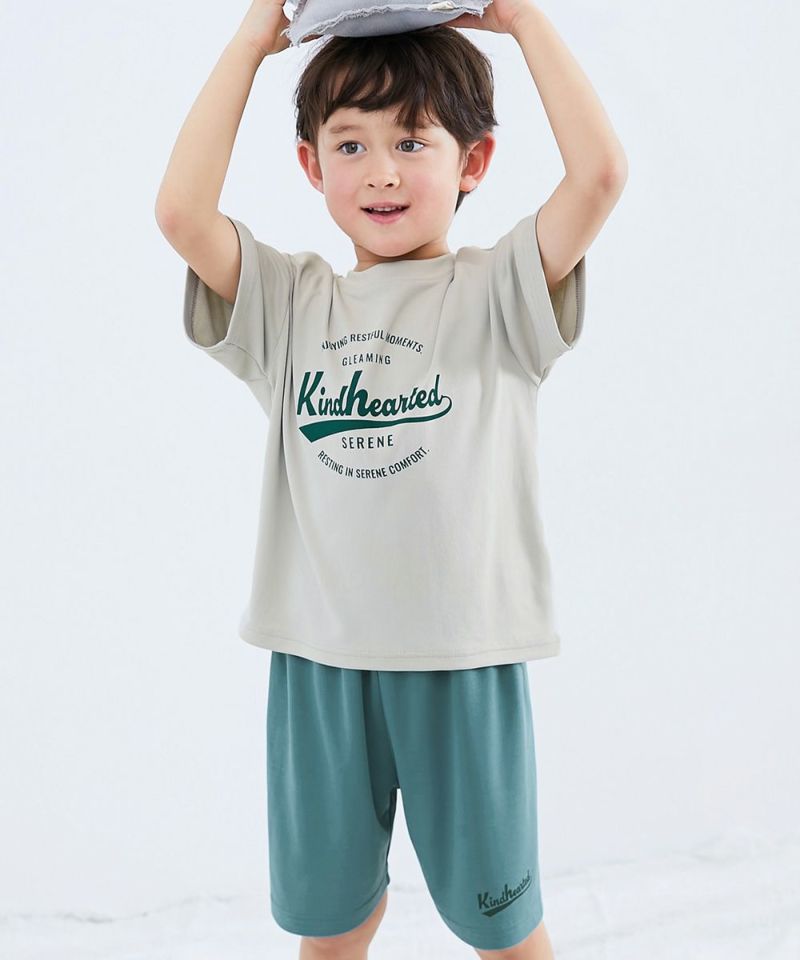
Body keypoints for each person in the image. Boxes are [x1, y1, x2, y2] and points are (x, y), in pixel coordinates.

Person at [155, 1, 626, 956]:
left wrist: (521, 20)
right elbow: (181, 215)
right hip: (320, 662)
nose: (381, 171)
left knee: (503, 927)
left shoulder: (499, 292)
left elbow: (601, 176)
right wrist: (252, 41)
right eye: (351, 144)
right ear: (311, 165)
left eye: (413, 141)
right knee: (333, 925)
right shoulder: (291, 304)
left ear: (473, 162)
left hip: (463, 656)